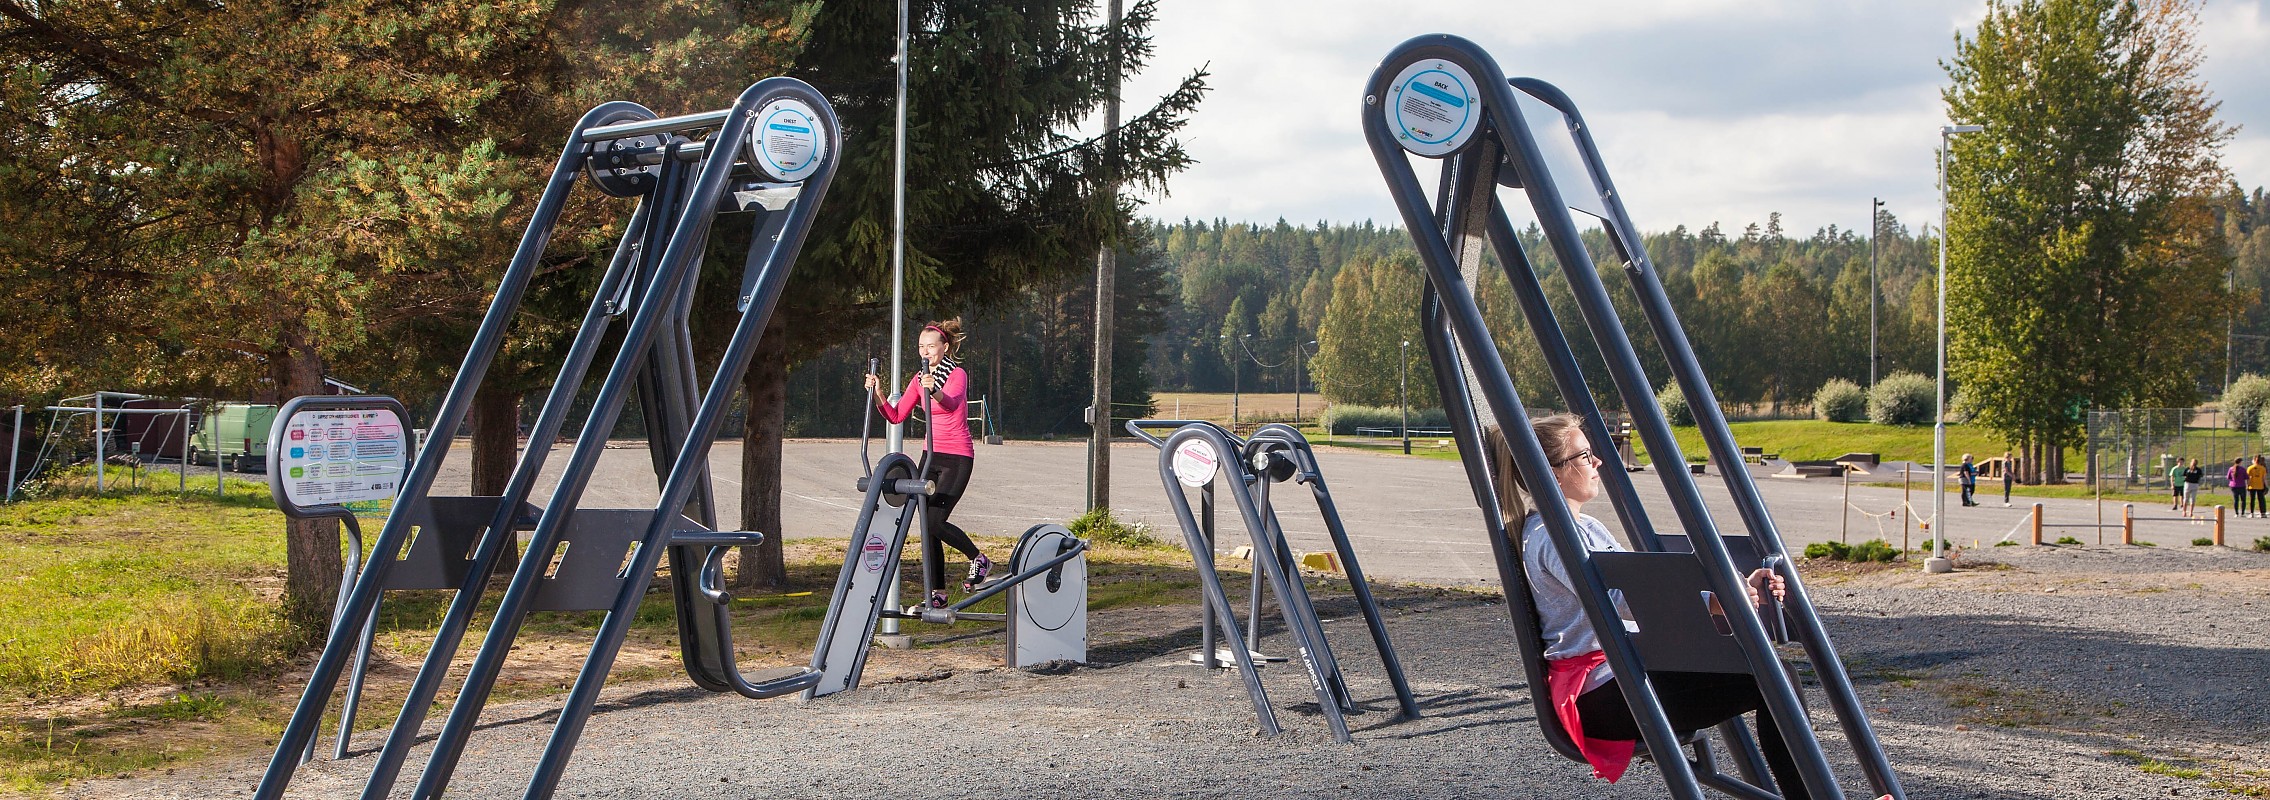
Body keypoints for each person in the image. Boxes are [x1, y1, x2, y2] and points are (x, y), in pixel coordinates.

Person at [1491, 414, 1810, 794]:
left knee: (1772, 674)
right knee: (1775, 681)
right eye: (1584, 455)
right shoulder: (1552, 536)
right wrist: (1716, 602)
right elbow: (1619, 602)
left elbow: (1637, 595)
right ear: (1553, 473)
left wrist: (1725, 597)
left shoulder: (1585, 527)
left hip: (1619, 678)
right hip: (1601, 696)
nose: (1598, 463)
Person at [866, 318, 990, 609]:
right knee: (927, 524)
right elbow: (896, 416)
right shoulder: (917, 379)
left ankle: (978, 559)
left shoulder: (956, 373)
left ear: (944, 348)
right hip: (930, 455)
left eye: (931, 347)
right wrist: (879, 392)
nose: (925, 352)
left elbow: (950, 402)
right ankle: (938, 593)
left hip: (957, 457)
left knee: (935, 521)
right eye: (921, 347)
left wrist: (933, 389)